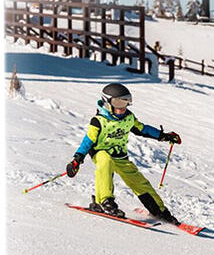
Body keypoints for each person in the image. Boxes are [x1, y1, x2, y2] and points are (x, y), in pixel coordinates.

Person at [65, 83, 182, 223]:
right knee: (105, 162)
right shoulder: (98, 121)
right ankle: (104, 201)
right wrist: (77, 159)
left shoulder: (128, 118)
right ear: (107, 102)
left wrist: (163, 136)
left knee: (139, 181)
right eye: (117, 102)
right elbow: (88, 141)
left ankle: (159, 210)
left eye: (125, 102)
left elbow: (142, 129)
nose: (121, 107)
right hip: (100, 152)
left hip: (120, 156)